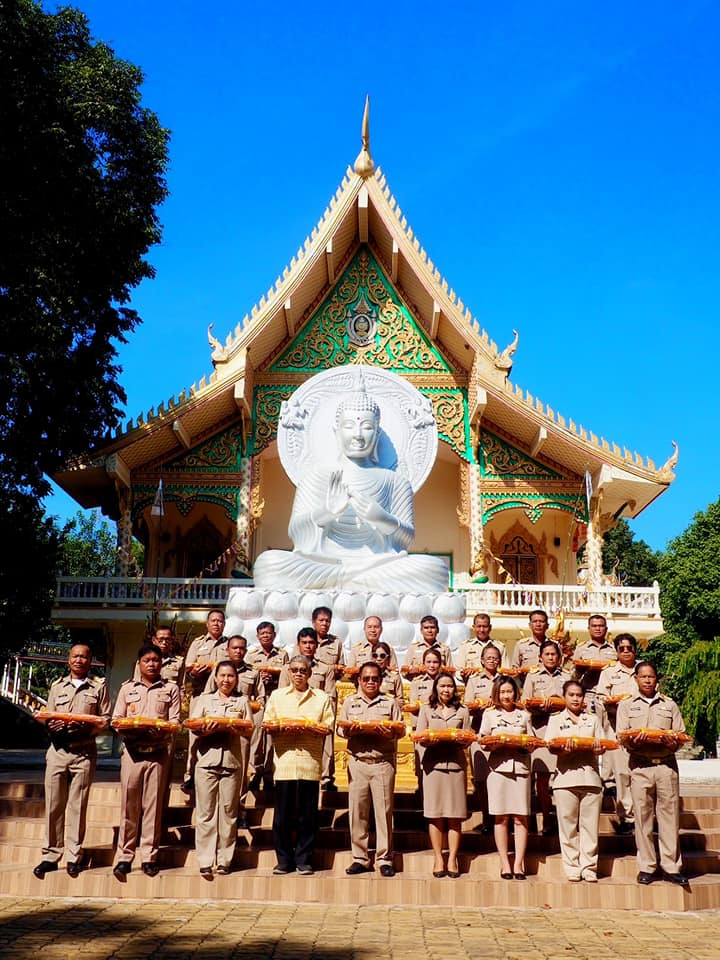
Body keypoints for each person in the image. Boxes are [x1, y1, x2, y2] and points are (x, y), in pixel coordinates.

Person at [253, 372, 448, 592]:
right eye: (349, 426)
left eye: (366, 426)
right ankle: (353, 586)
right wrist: (327, 511)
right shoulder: (316, 476)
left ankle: (344, 587)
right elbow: (296, 532)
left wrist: (382, 518)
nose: (357, 435)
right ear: (336, 432)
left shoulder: (395, 481)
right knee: (269, 564)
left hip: (378, 566)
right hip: (323, 566)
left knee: (433, 569)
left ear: (377, 432)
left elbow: (406, 539)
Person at [33, 644, 111, 879]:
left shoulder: (98, 687)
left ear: (90, 661)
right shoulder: (57, 686)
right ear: (69, 660)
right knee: (54, 806)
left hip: (84, 752)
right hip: (58, 751)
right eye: (75, 656)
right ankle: (50, 855)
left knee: (78, 806)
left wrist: (87, 726)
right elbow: (48, 714)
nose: (79, 660)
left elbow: (106, 718)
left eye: (84, 657)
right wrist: (50, 724)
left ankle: (73, 857)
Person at [615, 661, 689, 887]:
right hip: (640, 766)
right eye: (643, 676)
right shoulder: (626, 706)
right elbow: (621, 736)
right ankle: (647, 866)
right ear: (636, 679)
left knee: (669, 819)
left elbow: (681, 734)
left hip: (666, 766)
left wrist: (671, 741)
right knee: (643, 819)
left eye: (651, 677)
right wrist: (634, 742)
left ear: (657, 679)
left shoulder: (669, 704)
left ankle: (671, 866)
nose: (647, 680)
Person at [112, 643, 181, 878]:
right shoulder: (126, 689)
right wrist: (133, 731)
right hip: (132, 753)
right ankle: (124, 856)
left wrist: (160, 732)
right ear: (138, 664)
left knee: (152, 807)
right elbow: (117, 719)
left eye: (156, 660)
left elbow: (175, 721)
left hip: (158, 753)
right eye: (147, 660)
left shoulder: (171, 689)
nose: (152, 664)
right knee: (129, 806)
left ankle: (149, 856)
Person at [264, 654, 334, 875]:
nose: (298, 674)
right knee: (282, 815)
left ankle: (304, 859)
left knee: (308, 815)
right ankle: (284, 860)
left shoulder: (321, 698)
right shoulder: (277, 696)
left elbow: (328, 726)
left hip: (309, 763)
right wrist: (282, 727)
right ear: (288, 672)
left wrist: (308, 727)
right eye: (294, 670)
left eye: (303, 670)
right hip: (285, 762)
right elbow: (267, 723)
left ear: (310, 673)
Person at [338, 661, 404, 877]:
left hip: (382, 763)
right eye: (366, 678)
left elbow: (400, 729)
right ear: (359, 680)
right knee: (358, 812)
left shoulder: (390, 702)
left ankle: (385, 858)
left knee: (384, 813)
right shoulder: (350, 702)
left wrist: (388, 734)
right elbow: (340, 729)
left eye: (375, 678)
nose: (370, 682)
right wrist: (351, 732)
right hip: (358, 762)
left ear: (380, 680)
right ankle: (360, 857)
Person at [191, 660, 253, 876]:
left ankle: (225, 859)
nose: (226, 680)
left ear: (236, 679)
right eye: (223, 676)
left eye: (231, 676)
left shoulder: (242, 701)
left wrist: (233, 728)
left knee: (228, 812)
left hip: (232, 762)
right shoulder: (203, 700)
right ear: (215, 678)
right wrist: (207, 730)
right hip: (207, 761)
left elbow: (249, 729)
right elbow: (193, 726)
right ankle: (206, 860)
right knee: (206, 813)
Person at [547, 679, 608, 882]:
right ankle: (572, 866)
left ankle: (589, 866)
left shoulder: (592, 720)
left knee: (590, 827)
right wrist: (563, 749)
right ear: (564, 697)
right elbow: (550, 745)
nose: (575, 698)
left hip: (590, 778)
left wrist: (599, 749)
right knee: (568, 827)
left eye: (579, 695)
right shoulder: (556, 720)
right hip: (565, 779)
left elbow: (601, 744)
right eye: (571, 695)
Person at [203, 635, 265, 827]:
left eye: (242, 648)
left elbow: (261, 701)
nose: (238, 651)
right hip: (215, 730)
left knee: (241, 769)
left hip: (240, 729)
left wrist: (243, 708)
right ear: (227, 650)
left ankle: (240, 808)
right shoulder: (218, 671)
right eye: (235, 648)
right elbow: (206, 697)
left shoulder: (253, 673)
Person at [416, 674, 471, 877]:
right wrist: (429, 740)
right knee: (435, 814)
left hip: (455, 766)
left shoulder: (462, 711)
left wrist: (463, 739)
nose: (446, 690)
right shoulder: (426, 709)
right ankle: (438, 857)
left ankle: (453, 857)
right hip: (433, 766)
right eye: (442, 686)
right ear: (435, 688)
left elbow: (468, 737)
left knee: (455, 816)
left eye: (449, 686)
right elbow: (419, 736)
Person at [479, 677, 535, 879]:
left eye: (509, 691)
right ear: (496, 694)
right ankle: (505, 863)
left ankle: (519, 863)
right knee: (501, 817)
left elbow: (532, 741)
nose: (506, 696)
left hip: (520, 769)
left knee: (521, 818)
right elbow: (482, 739)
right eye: (502, 692)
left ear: (515, 693)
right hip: (498, 769)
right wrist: (493, 744)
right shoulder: (490, 714)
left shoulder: (524, 716)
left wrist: (526, 744)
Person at [522, 640, 568, 836]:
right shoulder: (533, 676)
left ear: (559, 657)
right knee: (541, 777)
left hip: (561, 729)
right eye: (547, 654)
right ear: (540, 656)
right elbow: (525, 703)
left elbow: (573, 700)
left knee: (561, 777)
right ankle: (545, 818)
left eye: (554, 654)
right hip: (539, 729)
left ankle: (562, 819)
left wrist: (558, 703)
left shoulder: (567, 676)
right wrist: (540, 706)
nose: (550, 657)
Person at [181, 609, 229, 793]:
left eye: (220, 621)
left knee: (220, 734)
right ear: (207, 624)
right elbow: (188, 667)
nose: (217, 624)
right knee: (195, 736)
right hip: (200, 695)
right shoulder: (198, 643)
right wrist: (194, 672)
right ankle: (190, 776)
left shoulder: (229, 644)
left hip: (223, 697)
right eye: (213, 620)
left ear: (224, 624)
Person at [596, 633, 639, 834]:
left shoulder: (643, 670)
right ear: (616, 651)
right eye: (621, 648)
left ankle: (643, 815)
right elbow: (601, 698)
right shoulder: (609, 672)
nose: (625, 651)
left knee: (640, 775)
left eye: (629, 648)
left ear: (635, 650)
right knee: (622, 774)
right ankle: (628, 817)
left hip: (640, 731)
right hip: (616, 729)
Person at [246, 621, 289, 790]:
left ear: (274, 635)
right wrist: (260, 681)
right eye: (262, 633)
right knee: (256, 738)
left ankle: (269, 774)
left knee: (271, 739)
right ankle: (255, 772)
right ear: (257, 636)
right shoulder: (251, 655)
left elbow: (288, 676)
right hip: (258, 702)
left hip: (275, 699)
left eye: (268, 633)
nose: (266, 636)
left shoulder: (283, 655)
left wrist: (275, 679)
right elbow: (248, 677)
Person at [464, 643, 502, 833]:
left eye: (495, 658)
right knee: (481, 780)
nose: (492, 660)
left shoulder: (505, 680)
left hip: (500, 735)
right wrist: (480, 705)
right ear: (481, 660)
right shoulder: (473, 680)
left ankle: (500, 820)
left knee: (499, 778)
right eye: (489, 658)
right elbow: (466, 706)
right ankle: (487, 818)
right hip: (479, 733)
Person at [310, 606, 344, 791]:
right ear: (313, 622)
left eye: (327, 620)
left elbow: (342, 667)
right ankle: (311, 773)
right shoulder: (305, 639)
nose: (324, 624)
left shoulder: (336, 642)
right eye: (321, 620)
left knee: (327, 736)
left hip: (328, 693)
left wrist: (335, 670)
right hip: (308, 694)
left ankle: (326, 776)